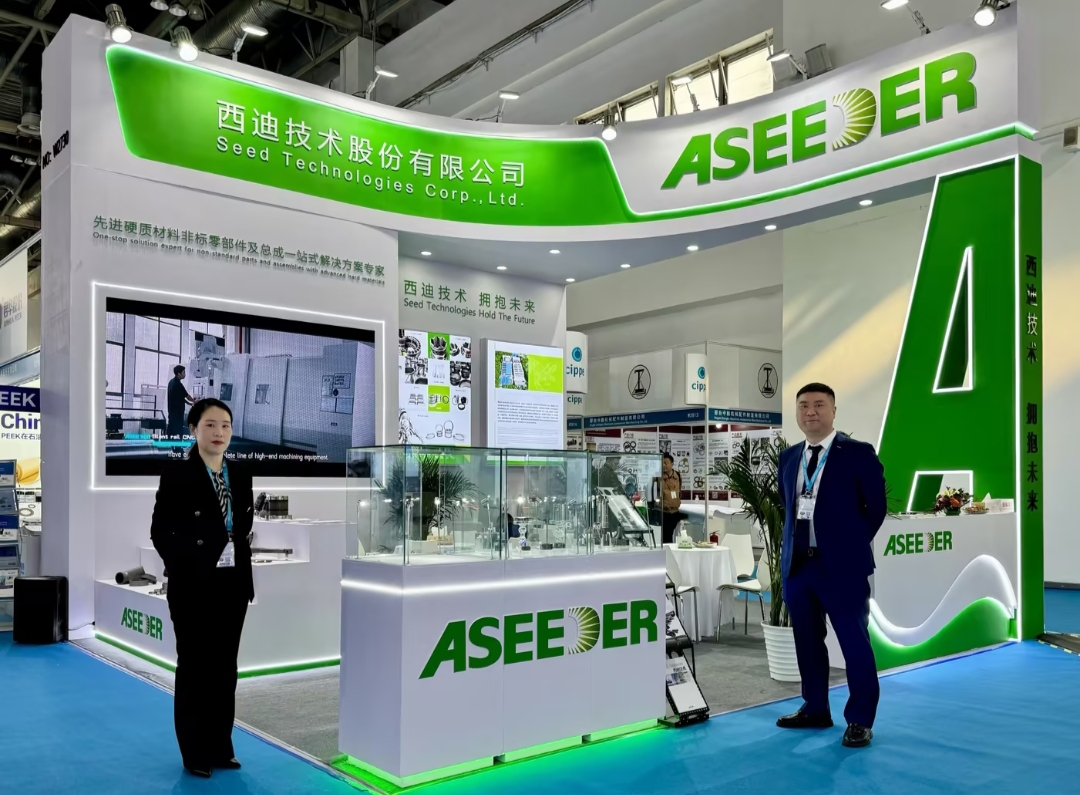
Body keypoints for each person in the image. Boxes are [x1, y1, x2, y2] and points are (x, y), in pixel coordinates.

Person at [775, 383, 887, 749]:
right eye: (803, 405)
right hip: (799, 568)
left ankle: (860, 719)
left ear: (833, 410)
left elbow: (876, 508)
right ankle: (815, 707)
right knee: (807, 641)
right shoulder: (789, 458)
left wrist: (848, 546)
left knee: (854, 643)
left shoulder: (857, 453)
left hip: (842, 569)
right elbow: (789, 506)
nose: (811, 411)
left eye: (819, 405)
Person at [151, 398, 254, 778]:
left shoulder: (240, 474)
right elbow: (160, 532)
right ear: (193, 429)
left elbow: (241, 529)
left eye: (225, 425)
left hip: (233, 585)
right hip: (194, 586)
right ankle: (194, 751)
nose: (219, 432)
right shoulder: (177, 475)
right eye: (210, 425)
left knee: (225, 669)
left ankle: (220, 746)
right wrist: (188, 566)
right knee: (195, 667)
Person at [657, 452, 686, 545]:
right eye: (662, 463)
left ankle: (669, 551)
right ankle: (667, 552)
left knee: (670, 534)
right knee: (666, 536)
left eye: (666, 463)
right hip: (663, 512)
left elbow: (679, 490)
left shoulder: (677, 476)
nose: (664, 465)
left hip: (675, 511)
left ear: (672, 464)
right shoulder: (657, 476)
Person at [167, 365, 195, 439]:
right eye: (183, 373)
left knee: (172, 430)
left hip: (172, 412)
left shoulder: (171, 382)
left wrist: (190, 403)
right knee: (178, 431)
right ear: (179, 374)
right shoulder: (178, 384)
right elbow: (186, 396)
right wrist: (194, 401)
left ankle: (171, 443)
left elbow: (181, 398)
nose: (185, 374)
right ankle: (177, 445)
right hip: (177, 412)